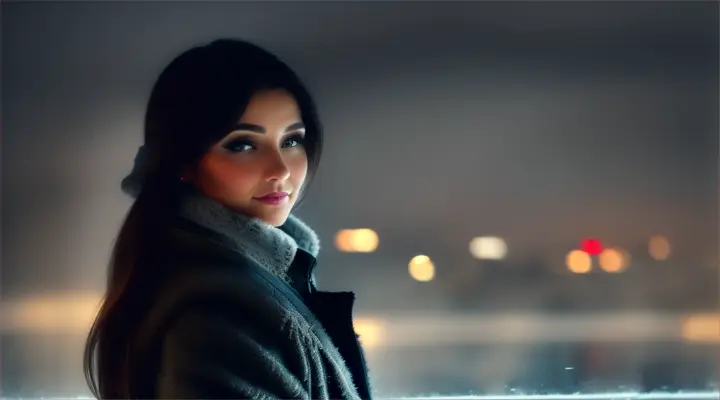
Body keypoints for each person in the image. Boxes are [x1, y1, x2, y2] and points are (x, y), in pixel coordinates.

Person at [83, 38, 372, 400]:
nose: (280, 170)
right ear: (183, 161)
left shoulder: (238, 281)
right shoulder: (218, 313)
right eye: (243, 145)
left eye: (292, 140)